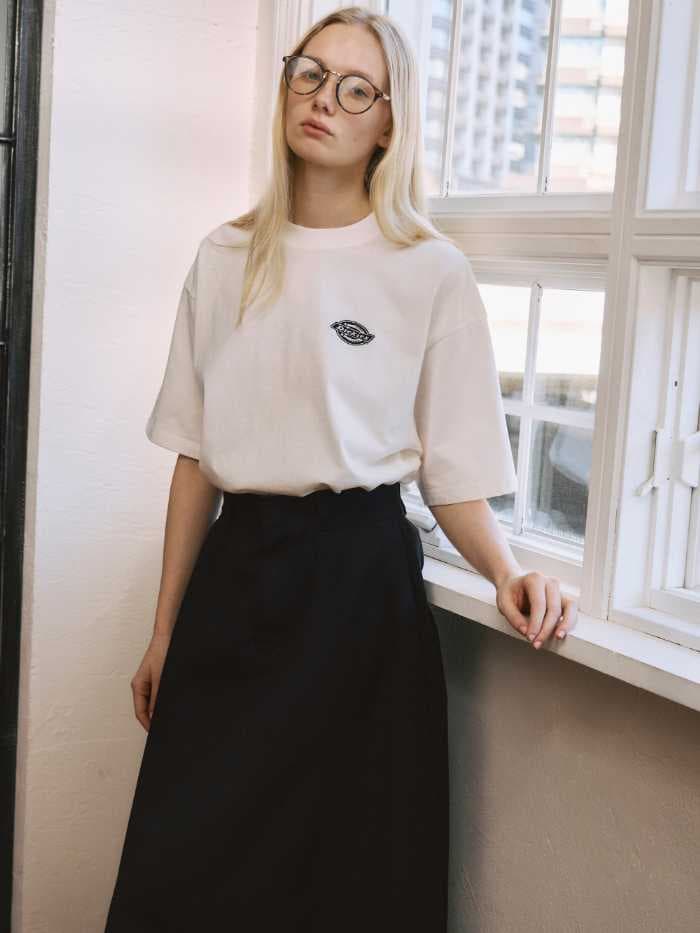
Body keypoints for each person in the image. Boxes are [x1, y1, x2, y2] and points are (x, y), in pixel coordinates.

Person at [104, 6, 576, 932]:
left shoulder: (429, 271)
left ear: (389, 124)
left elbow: (452, 475)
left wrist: (508, 571)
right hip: (238, 584)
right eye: (310, 74)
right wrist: (165, 631)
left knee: (348, 877)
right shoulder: (223, 256)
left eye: (358, 89)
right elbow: (196, 460)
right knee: (185, 868)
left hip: (362, 597)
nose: (324, 99)